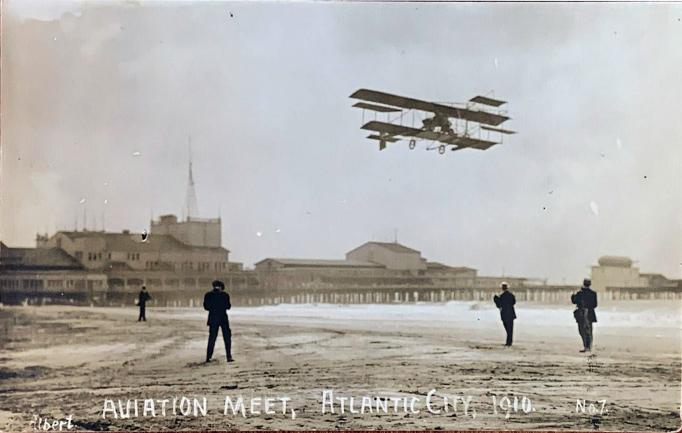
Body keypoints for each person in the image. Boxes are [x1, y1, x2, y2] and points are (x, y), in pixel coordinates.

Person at [203, 280, 233, 363]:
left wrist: (213, 308)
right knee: (227, 338)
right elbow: (228, 306)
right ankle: (229, 356)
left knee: (212, 338)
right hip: (223, 318)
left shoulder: (208, 295)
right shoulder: (225, 295)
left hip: (213, 318)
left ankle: (208, 357)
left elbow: (206, 307)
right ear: (221, 287)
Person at [571, 278, 598, 352]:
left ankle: (586, 346)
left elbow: (574, 301)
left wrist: (573, 296)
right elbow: (595, 305)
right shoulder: (593, 293)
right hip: (590, 314)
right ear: (590, 284)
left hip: (581, 313)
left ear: (583, 283)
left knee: (582, 331)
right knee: (589, 331)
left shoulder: (580, 293)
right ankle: (589, 347)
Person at [493, 282, 516, 346]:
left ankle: (508, 342)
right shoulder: (511, 295)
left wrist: (495, 298)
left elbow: (499, 305)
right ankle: (509, 342)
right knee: (510, 329)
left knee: (507, 328)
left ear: (502, 288)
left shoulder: (501, 296)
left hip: (504, 314)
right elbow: (514, 302)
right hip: (511, 314)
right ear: (507, 288)